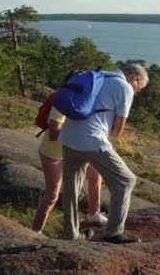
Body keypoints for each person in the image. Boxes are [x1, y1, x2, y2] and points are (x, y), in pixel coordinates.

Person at [59, 63, 148, 243]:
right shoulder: (125, 87)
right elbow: (118, 129)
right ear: (135, 79)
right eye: (139, 88)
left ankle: (70, 234)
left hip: (68, 136)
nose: (137, 91)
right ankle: (113, 233)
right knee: (126, 180)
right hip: (92, 140)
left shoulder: (100, 77)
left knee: (71, 187)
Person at [32, 80, 108, 235]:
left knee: (96, 174)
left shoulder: (88, 101)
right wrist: (80, 136)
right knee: (52, 195)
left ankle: (93, 214)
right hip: (54, 153)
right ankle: (35, 231)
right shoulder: (63, 102)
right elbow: (54, 134)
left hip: (76, 149)